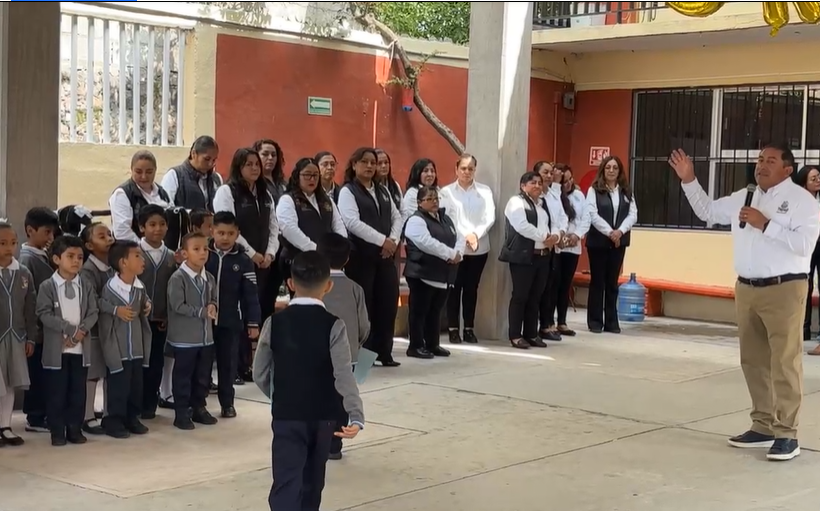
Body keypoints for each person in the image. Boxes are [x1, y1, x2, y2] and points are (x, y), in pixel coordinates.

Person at [670, 144, 820, 462]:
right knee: (752, 361)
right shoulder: (744, 196)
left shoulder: (802, 201)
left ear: (788, 169)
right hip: (747, 288)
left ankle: (786, 433)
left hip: (785, 288)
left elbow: (805, 244)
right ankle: (762, 425)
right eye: (759, 160)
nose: (762, 165)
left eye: (771, 161)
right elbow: (707, 212)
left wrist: (766, 223)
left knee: (784, 362)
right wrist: (689, 180)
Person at [252, 251, 364, 511]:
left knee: (286, 480)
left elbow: (259, 371)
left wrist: (280, 394)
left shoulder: (274, 322)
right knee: (313, 481)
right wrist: (355, 415)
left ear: (290, 284)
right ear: (328, 285)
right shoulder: (334, 325)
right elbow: (343, 374)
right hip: (323, 416)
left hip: (286, 415)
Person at [213, 148, 279, 384]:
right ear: (238, 166)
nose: (254, 168)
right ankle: (236, 367)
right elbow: (227, 228)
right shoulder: (227, 191)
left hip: (264, 263)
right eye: (248, 164)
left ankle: (251, 364)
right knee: (238, 314)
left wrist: (270, 253)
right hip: (238, 260)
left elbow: (274, 227)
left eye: (257, 164)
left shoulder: (265, 194)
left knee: (257, 310)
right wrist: (252, 254)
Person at [337, 147, 403, 367]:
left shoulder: (383, 190)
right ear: (354, 165)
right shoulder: (348, 191)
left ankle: (384, 352)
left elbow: (397, 217)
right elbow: (351, 222)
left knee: (387, 304)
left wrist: (391, 241)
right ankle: (364, 355)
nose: (369, 166)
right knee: (365, 305)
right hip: (362, 257)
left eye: (373, 163)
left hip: (385, 257)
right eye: (364, 162)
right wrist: (382, 241)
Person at [35, 235, 99, 446]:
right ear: (56, 259)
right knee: (56, 393)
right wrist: (69, 330)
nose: (76, 261)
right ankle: (57, 431)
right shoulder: (47, 286)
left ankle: (74, 428)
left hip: (80, 350)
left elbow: (93, 312)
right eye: (70, 256)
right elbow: (43, 313)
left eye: (80, 257)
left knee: (77, 392)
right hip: (57, 350)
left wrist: (80, 332)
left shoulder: (86, 285)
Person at [316, 232, 370, 460]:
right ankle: (335, 444)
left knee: (319, 396)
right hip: (348, 354)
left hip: (317, 354)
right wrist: (356, 343)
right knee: (342, 398)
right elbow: (364, 324)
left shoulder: (314, 286)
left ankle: (317, 440)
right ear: (347, 259)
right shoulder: (355, 288)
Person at [205, 212, 261, 418]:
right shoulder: (203, 254)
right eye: (220, 232)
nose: (225, 237)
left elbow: (251, 295)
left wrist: (253, 321)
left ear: (238, 234)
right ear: (212, 231)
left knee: (228, 366)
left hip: (231, 322)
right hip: (204, 322)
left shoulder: (244, 261)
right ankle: (199, 405)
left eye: (230, 233)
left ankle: (227, 403)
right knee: (202, 365)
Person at [98, 240, 152, 439]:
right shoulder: (111, 289)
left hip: (136, 347)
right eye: (137, 256)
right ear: (123, 263)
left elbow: (144, 303)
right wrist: (115, 311)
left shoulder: (139, 287)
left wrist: (147, 305)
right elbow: (103, 316)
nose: (142, 259)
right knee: (118, 387)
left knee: (135, 385)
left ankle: (132, 417)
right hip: (118, 348)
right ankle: (113, 421)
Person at [499, 172, 560, 350]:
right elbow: (522, 226)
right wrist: (544, 237)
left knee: (535, 297)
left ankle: (531, 333)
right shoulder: (516, 202)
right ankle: (515, 335)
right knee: (520, 296)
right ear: (522, 185)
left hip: (543, 256)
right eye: (532, 182)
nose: (537, 186)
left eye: (539, 183)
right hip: (524, 256)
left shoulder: (542, 205)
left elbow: (553, 222)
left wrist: (554, 236)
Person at [404, 186, 465, 359]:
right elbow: (426, 242)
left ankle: (433, 344)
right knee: (419, 312)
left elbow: (458, 236)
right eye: (429, 199)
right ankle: (416, 345)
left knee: (435, 311)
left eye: (436, 198)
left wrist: (458, 253)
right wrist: (450, 254)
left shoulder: (445, 218)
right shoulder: (416, 220)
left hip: (443, 274)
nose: (434, 202)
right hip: (422, 272)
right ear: (419, 203)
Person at [166, 232, 218, 430]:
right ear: (184, 253)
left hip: (205, 338)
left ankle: (199, 408)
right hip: (184, 339)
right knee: (183, 376)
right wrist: (201, 312)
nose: (203, 253)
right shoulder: (178, 278)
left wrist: (213, 306)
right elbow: (177, 305)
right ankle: (181, 412)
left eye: (205, 249)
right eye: (196, 249)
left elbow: (213, 298)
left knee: (202, 376)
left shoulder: (209, 277)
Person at [442, 154, 495, 345]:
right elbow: (447, 219)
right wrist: (465, 236)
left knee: (471, 289)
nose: (467, 172)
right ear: (456, 169)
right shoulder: (446, 192)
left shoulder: (484, 191)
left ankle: (469, 328)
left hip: (479, 248)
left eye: (470, 168)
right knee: (454, 289)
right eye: (463, 168)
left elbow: (489, 217)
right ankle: (453, 328)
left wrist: (475, 234)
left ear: (475, 170)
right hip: (456, 248)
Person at [585, 155, 638, 334]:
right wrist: (610, 232)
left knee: (612, 283)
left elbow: (633, 214)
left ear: (620, 171)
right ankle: (595, 321)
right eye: (608, 167)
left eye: (615, 168)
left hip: (618, 242)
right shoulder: (594, 190)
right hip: (598, 242)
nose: (611, 171)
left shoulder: (626, 191)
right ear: (603, 169)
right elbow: (592, 214)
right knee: (598, 282)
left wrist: (619, 232)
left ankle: (611, 322)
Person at [135, 205, 178, 419]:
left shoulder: (172, 256)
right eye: (152, 224)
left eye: (162, 224)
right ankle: (134, 405)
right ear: (142, 227)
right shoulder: (133, 253)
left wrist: (168, 316)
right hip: (136, 320)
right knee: (137, 363)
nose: (157, 229)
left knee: (155, 363)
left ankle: (150, 405)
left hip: (161, 319)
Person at [20, 207, 60, 434]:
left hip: (48, 329)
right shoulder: (27, 260)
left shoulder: (41, 255)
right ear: (30, 230)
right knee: (37, 375)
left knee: (46, 374)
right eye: (46, 232)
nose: (50, 238)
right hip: (38, 331)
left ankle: (43, 412)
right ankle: (35, 416)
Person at [277, 157, 347, 280]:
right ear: (297, 176)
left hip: (326, 260)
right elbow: (289, 229)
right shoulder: (288, 199)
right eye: (307, 175)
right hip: (298, 258)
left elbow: (338, 223)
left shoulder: (326, 199)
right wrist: (315, 249)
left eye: (315, 175)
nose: (312, 179)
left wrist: (340, 248)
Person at [0, 221, 37, 447]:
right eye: (2, 243)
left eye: (13, 243)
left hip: (16, 336)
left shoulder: (23, 273)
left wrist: (30, 336)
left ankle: (5, 425)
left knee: (11, 382)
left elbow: (30, 308)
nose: (8, 248)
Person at [78, 223, 115, 435]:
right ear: (89, 245)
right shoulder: (87, 271)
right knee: (92, 373)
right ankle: (87, 415)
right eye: (102, 236)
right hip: (93, 330)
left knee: (110, 371)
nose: (109, 238)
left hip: (110, 329)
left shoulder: (113, 266)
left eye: (109, 234)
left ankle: (109, 412)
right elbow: (93, 301)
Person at [547, 166, 589, 337]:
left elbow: (586, 218)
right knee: (552, 285)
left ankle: (562, 322)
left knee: (566, 285)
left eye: (571, 179)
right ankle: (549, 321)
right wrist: (561, 238)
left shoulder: (579, 195)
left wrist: (577, 236)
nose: (569, 183)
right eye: (565, 181)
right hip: (558, 246)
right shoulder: (553, 195)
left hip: (573, 246)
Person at [533, 162, 568, 341]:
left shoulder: (554, 194)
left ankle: (548, 323)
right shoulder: (536, 197)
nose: (548, 176)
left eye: (550, 173)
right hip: (541, 245)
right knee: (541, 288)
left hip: (555, 245)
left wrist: (560, 234)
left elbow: (562, 217)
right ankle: (541, 325)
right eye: (544, 173)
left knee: (553, 286)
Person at [108, 150, 173, 243]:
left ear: (155, 170)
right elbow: (122, 232)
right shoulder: (122, 194)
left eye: (149, 172)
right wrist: (146, 249)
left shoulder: (162, 193)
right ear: (131, 170)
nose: (144, 177)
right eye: (138, 172)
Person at [791, 165, 820, 346]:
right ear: (804, 183)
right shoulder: (798, 200)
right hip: (806, 247)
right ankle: (804, 329)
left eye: (818, 177)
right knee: (804, 286)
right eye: (813, 179)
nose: (818, 181)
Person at [160, 136, 222, 212]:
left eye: (214, 160)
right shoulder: (174, 175)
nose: (210, 164)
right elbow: (166, 209)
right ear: (193, 154)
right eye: (207, 159)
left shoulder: (216, 178)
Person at [400, 158, 457, 222]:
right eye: (425, 171)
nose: (430, 174)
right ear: (418, 173)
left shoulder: (442, 192)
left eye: (432, 171)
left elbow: (452, 214)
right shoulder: (412, 194)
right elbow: (418, 218)